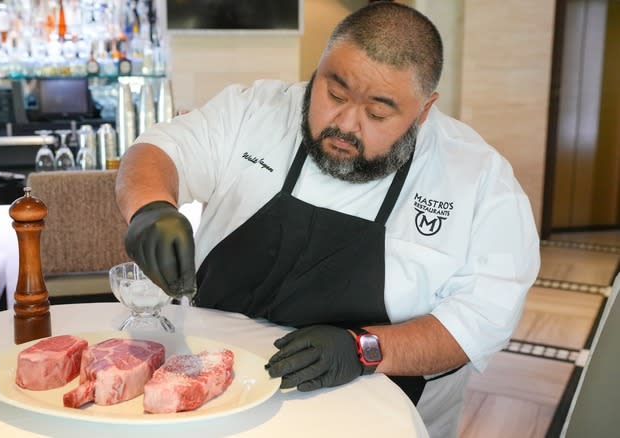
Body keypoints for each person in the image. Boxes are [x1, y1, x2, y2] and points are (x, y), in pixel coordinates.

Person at [115, 2, 540, 436]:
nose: (345, 124)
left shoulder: (479, 180)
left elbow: (480, 319)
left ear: (424, 109)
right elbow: (160, 150)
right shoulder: (256, 111)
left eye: (377, 113)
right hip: (221, 393)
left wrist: (366, 349)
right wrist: (150, 209)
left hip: (381, 412)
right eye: (334, 94)